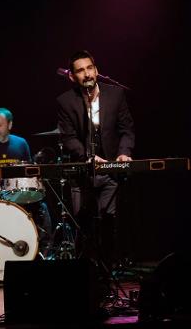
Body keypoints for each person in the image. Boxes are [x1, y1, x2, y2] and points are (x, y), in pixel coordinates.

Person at [57, 50, 135, 266]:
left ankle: (107, 273)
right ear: (73, 77)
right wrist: (87, 157)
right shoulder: (65, 101)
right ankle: (86, 276)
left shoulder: (116, 95)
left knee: (108, 223)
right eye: (80, 70)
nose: (87, 74)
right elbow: (69, 137)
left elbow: (127, 130)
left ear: (97, 70)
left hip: (110, 171)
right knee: (84, 226)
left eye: (90, 68)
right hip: (82, 174)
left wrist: (124, 153)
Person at [0, 107, 52, 254]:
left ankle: (39, 253)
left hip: (18, 196)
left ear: (10, 125)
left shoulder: (21, 143)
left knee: (42, 208)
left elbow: (28, 170)